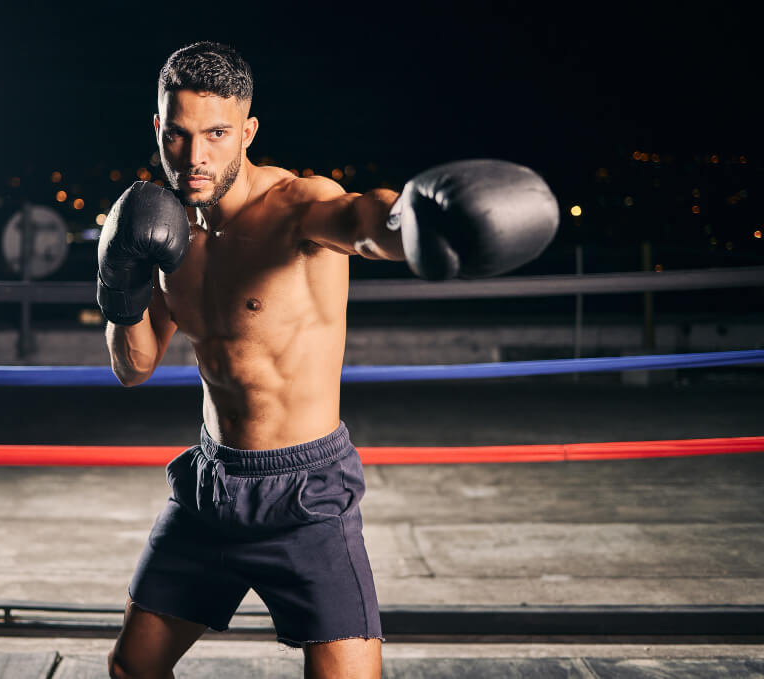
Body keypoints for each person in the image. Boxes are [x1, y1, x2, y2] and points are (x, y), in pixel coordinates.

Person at [100, 41, 558, 679]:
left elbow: (365, 220)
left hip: (305, 494)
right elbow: (134, 366)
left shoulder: (297, 208)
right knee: (132, 669)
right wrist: (119, 287)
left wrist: (416, 220)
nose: (196, 156)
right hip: (211, 486)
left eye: (217, 134)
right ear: (159, 129)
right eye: (178, 135)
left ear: (248, 132)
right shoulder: (166, 229)